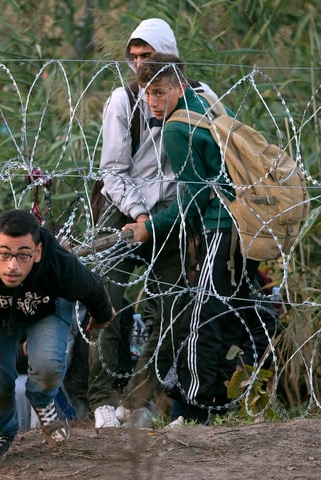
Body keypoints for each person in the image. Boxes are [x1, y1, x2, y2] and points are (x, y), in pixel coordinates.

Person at [88, 18, 216, 428]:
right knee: (109, 301)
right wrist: (141, 216)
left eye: (150, 56)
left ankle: (139, 398)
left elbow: (214, 157)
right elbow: (113, 170)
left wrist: (169, 220)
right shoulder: (124, 100)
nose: (141, 65)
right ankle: (103, 397)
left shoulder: (201, 98)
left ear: (172, 58)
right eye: (136, 56)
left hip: (174, 214)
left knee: (172, 305)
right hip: (124, 210)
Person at [124, 52, 261, 424]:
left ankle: (197, 406)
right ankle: (228, 395)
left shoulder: (174, 128)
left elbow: (195, 198)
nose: (152, 101)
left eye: (159, 92)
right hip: (245, 221)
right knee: (231, 309)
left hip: (221, 223)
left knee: (203, 314)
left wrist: (148, 227)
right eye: (146, 93)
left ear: (179, 85)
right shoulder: (203, 103)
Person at [0, 209, 114, 468]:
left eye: (23, 255)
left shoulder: (57, 263)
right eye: (4, 254)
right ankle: (3, 432)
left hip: (46, 311)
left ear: (37, 252)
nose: (12, 266)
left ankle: (43, 400)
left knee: (48, 367)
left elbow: (92, 287)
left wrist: (101, 315)